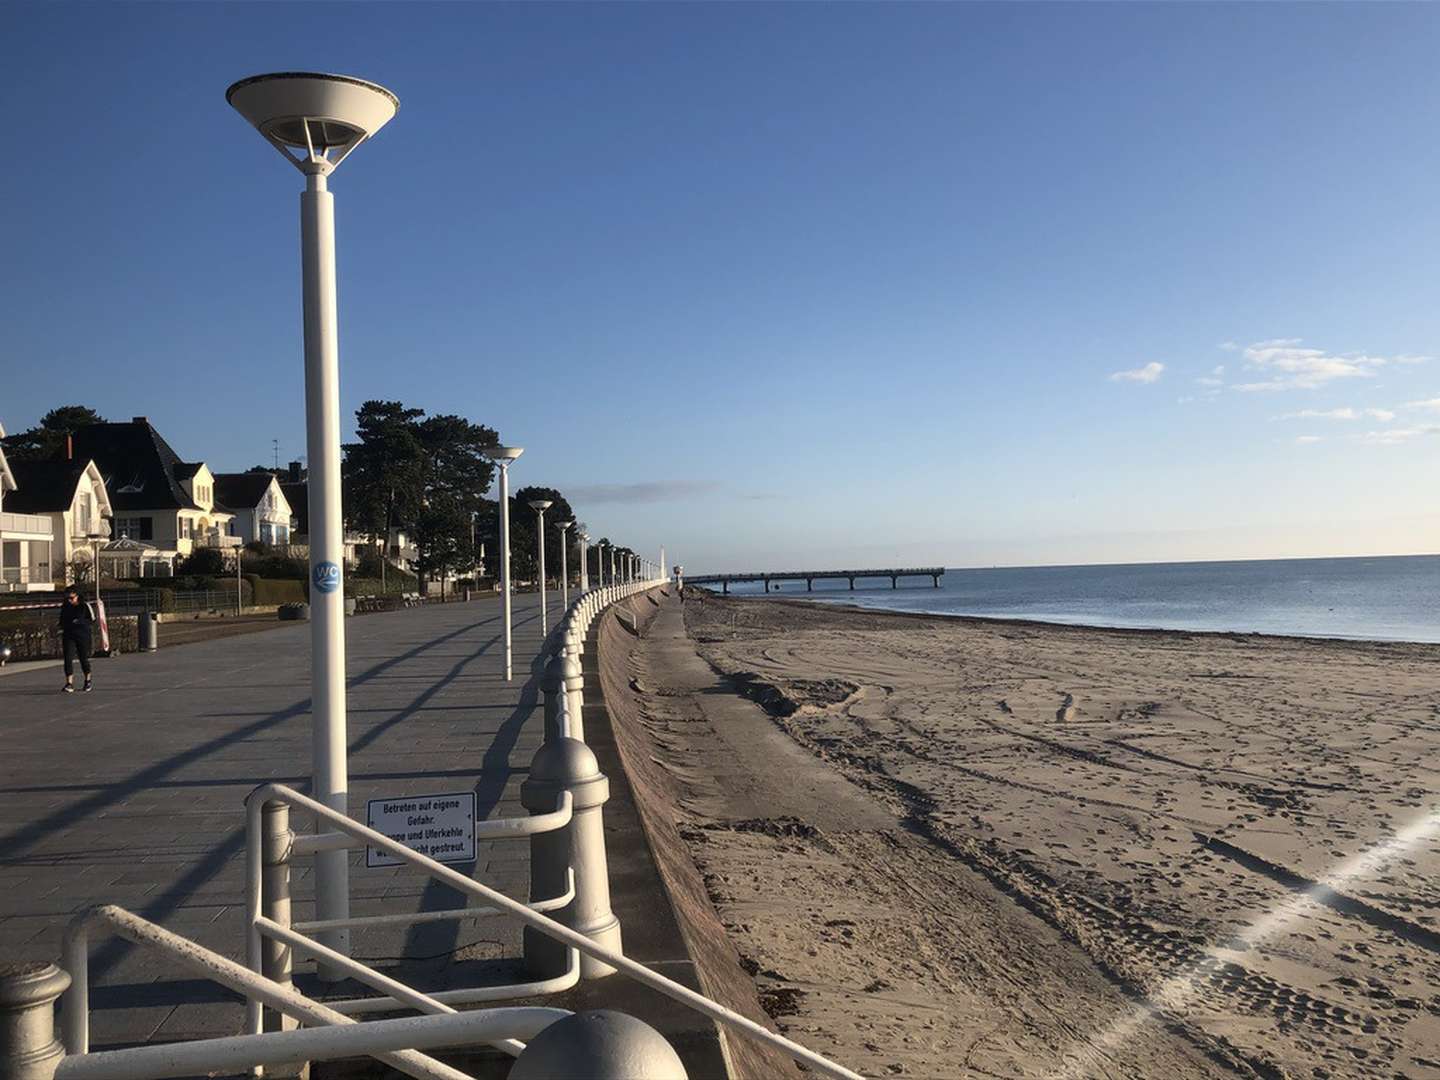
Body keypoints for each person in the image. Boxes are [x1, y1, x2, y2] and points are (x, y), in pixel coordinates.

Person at [58, 587, 93, 693]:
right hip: (69, 635)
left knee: (83, 658)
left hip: (82, 635)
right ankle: (69, 683)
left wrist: (80, 622)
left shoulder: (85, 606)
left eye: (71, 598)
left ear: (77, 596)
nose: (69, 600)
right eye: (67, 598)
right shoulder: (65, 607)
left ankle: (87, 680)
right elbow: (62, 619)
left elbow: (91, 619)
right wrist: (61, 625)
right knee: (68, 658)